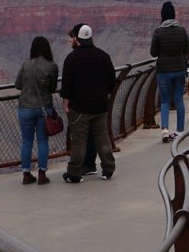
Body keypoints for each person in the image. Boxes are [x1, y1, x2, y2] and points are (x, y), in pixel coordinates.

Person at [61, 24, 117, 183]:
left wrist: (66, 104)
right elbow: (111, 81)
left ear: (77, 39)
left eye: (72, 38)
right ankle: (108, 168)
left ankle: (74, 173)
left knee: (79, 141)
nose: (70, 40)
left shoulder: (72, 58)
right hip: (100, 106)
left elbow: (67, 85)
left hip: (79, 109)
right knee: (102, 137)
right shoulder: (103, 56)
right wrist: (104, 95)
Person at [14, 36, 59, 184]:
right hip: (43, 109)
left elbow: (18, 85)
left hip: (25, 108)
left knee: (26, 141)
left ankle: (26, 175)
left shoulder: (26, 64)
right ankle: (42, 174)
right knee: (42, 141)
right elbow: (53, 88)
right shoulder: (51, 66)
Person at [151, 2, 189, 141]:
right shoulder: (182, 30)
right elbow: (186, 49)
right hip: (179, 69)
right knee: (179, 99)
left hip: (164, 71)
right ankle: (179, 131)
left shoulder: (158, 32)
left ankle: (165, 130)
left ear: (162, 15)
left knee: (165, 101)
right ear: (174, 14)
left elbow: (153, 52)